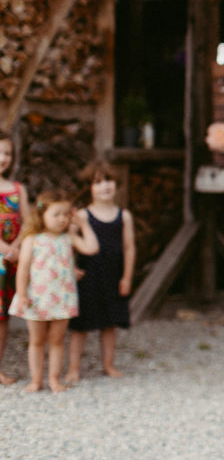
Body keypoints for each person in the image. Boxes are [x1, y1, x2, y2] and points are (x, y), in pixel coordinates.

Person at [10, 190, 99, 393]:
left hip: (62, 298)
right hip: (36, 299)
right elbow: (23, 268)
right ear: (42, 215)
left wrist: (83, 225)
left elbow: (92, 248)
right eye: (56, 214)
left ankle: (54, 379)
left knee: (57, 340)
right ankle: (36, 379)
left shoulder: (68, 237)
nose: (62, 219)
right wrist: (22, 294)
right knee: (37, 340)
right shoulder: (32, 239)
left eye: (65, 214)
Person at [66, 161, 136, 384]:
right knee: (80, 326)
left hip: (113, 276)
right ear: (89, 188)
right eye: (98, 183)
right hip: (88, 276)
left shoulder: (123, 216)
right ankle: (73, 368)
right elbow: (68, 242)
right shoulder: (83, 216)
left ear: (116, 184)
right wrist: (71, 268)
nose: (105, 186)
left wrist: (127, 276)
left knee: (109, 323)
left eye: (109, 181)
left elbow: (129, 247)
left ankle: (109, 365)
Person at [0, 131, 29, 386]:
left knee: (2, 316)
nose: (2, 158)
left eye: (7, 153)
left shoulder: (18, 189)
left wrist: (16, 247)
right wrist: (3, 248)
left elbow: (29, 222)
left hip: (11, 261)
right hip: (3, 254)